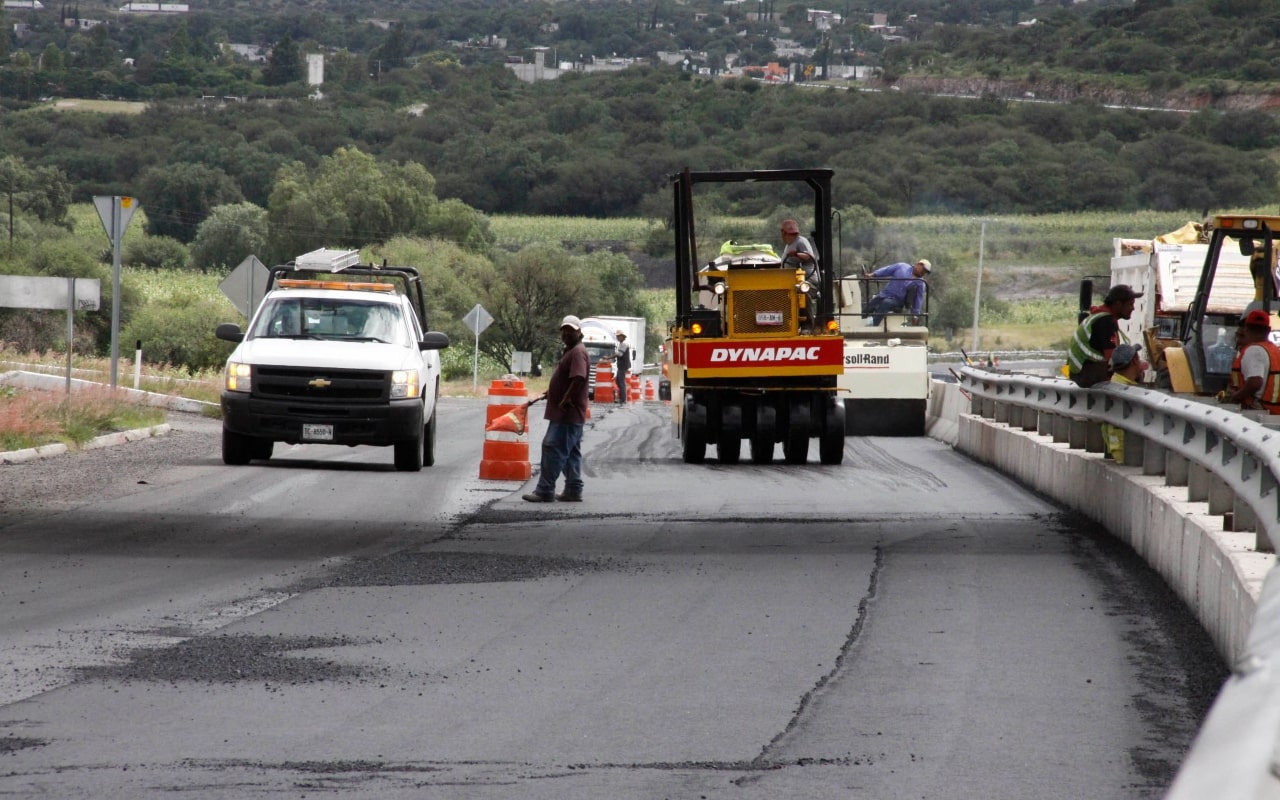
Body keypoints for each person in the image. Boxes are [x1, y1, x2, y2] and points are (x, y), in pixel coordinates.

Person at [523, 315, 591, 503]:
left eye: (571, 330)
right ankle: (573, 489)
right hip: (568, 413)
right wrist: (551, 391)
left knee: (553, 447)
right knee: (570, 452)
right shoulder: (572, 350)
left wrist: (566, 398)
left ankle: (545, 490)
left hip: (567, 413)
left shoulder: (577, 352)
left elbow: (578, 377)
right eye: (564, 329)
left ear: (579, 331)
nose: (567, 333)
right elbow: (569, 378)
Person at [1066, 283, 1142, 388]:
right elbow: (1115, 360)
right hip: (1085, 376)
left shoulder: (1100, 317)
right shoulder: (1105, 322)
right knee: (1129, 366)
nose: (1133, 308)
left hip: (1079, 373)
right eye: (1130, 304)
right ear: (1118, 304)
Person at [1222, 309, 1280, 412]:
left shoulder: (1253, 350)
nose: (1238, 341)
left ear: (1246, 329)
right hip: (1274, 413)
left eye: (1241, 335)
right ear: (1268, 330)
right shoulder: (1274, 350)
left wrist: (1234, 397)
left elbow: (1255, 382)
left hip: (1257, 411)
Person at [1102, 343, 1148, 461]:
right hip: (1126, 449)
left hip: (1116, 446)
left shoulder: (1114, 383)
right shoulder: (1127, 391)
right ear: (1133, 362)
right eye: (1138, 358)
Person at [862, 259, 931, 325]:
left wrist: (915, 315)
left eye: (926, 272)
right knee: (871, 305)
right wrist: (872, 275)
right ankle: (858, 322)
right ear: (919, 264)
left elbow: (918, 299)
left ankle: (873, 325)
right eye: (924, 269)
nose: (924, 272)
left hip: (898, 302)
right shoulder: (902, 266)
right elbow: (886, 270)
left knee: (886, 303)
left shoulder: (921, 283)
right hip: (885, 294)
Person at [614, 330, 631, 405]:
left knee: (621, 382)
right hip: (621, 365)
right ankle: (621, 397)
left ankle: (623, 399)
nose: (617, 337)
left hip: (623, 366)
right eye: (617, 336)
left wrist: (609, 357)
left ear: (622, 337)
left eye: (619, 336)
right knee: (618, 381)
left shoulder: (624, 344)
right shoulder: (621, 344)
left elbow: (619, 354)